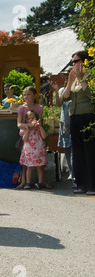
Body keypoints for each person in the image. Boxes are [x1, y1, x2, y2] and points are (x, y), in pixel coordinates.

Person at [62, 50, 95, 195]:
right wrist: (70, 81)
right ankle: (81, 184)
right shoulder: (74, 78)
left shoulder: (91, 76)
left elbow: (91, 95)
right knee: (78, 152)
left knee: (90, 151)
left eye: (76, 61)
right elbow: (65, 97)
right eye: (72, 61)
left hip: (88, 116)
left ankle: (92, 185)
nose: (74, 64)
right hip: (74, 117)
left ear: (84, 61)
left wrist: (82, 79)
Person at [16, 86, 44, 189]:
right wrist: (28, 126)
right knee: (25, 162)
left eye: (29, 94)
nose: (26, 97)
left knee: (38, 161)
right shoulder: (21, 108)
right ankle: (23, 181)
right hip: (26, 136)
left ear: (34, 95)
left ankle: (41, 181)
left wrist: (36, 124)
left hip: (36, 137)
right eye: (24, 94)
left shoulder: (39, 108)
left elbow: (40, 121)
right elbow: (19, 124)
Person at [19, 111, 51, 189]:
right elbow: (25, 139)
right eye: (29, 119)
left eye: (33, 118)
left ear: (37, 119)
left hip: (39, 150)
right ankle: (28, 182)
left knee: (40, 167)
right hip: (30, 151)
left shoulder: (39, 128)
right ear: (26, 121)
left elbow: (44, 136)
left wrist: (40, 126)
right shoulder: (27, 129)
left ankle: (40, 183)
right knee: (29, 166)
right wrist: (27, 129)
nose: (31, 120)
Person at [51, 70, 74, 181]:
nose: (66, 78)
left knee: (75, 148)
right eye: (65, 76)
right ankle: (71, 172)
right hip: (65, 122)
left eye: (67, 75)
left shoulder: (76, 88)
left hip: (74, 121)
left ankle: (75, 172)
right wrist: (56, 90)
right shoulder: (61, 90)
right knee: (67, 149)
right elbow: (59, 103)